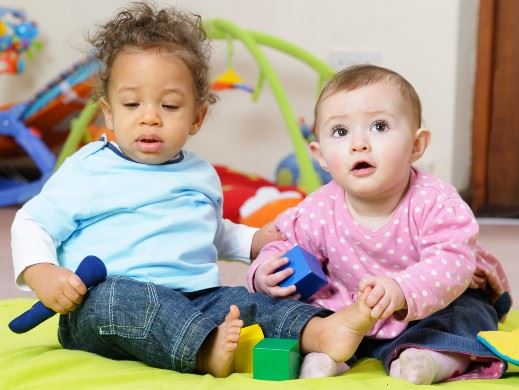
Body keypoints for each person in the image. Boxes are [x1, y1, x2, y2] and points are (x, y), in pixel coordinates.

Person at [10, 3, 380, 378]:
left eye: (169, 105)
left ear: (197, 117)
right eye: (131, 103)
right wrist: (41, 271)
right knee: (117, 298)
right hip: (101, 308)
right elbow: (31, 221)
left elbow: (211, 231)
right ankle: (204, 352)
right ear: (109, 113)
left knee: (246, 303)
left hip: (196, 299)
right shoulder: (89, 168)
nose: (150, 116)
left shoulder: (200, 174)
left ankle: (323, 332)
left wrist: (255, 240)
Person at [247, 64, 512, 384]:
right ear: (321, 155)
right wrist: (266, 269)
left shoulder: (434, 201)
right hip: (346, 314)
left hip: (427, 309)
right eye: (341, 132)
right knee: (285, 314)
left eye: (379, 126)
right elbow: (281, 241)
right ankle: (327, 353)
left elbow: (453, 261)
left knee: (470, 314)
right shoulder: (318, 209)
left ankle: (433, 358)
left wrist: (403, 289)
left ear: (416, 145)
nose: (359, 143)